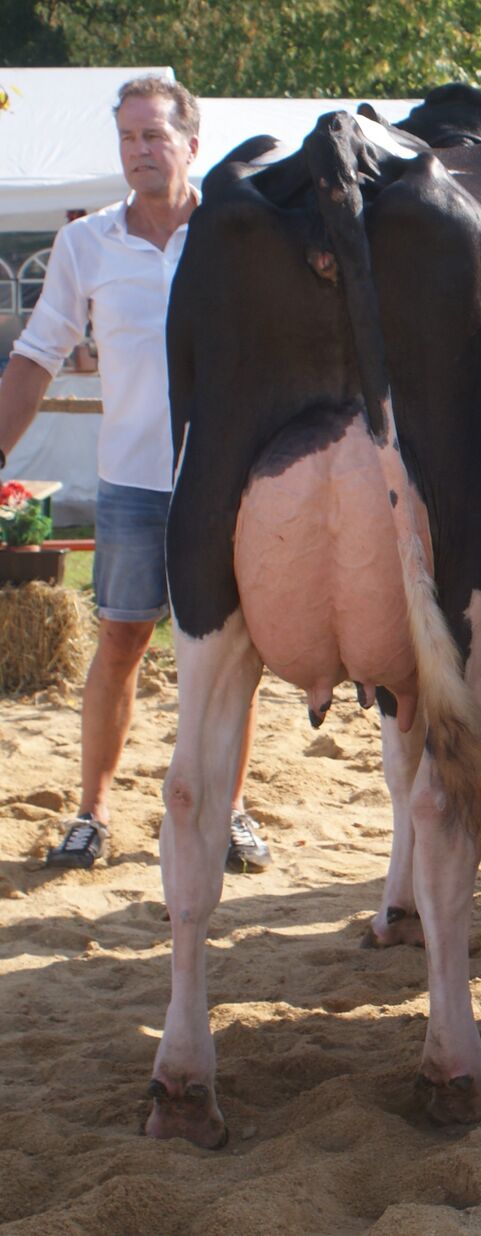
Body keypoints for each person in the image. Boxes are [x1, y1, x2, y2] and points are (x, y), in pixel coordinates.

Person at [0, 75, 268, 873]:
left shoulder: (236, 234)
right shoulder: (86, 244)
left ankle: (231, 810)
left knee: (235, 658)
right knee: (119, 642)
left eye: (153, 135)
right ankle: (92, 813)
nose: (139, 151)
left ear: (192, 142)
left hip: (228, 486)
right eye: (127, 137)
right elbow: (36, 355)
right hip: (131, 485)